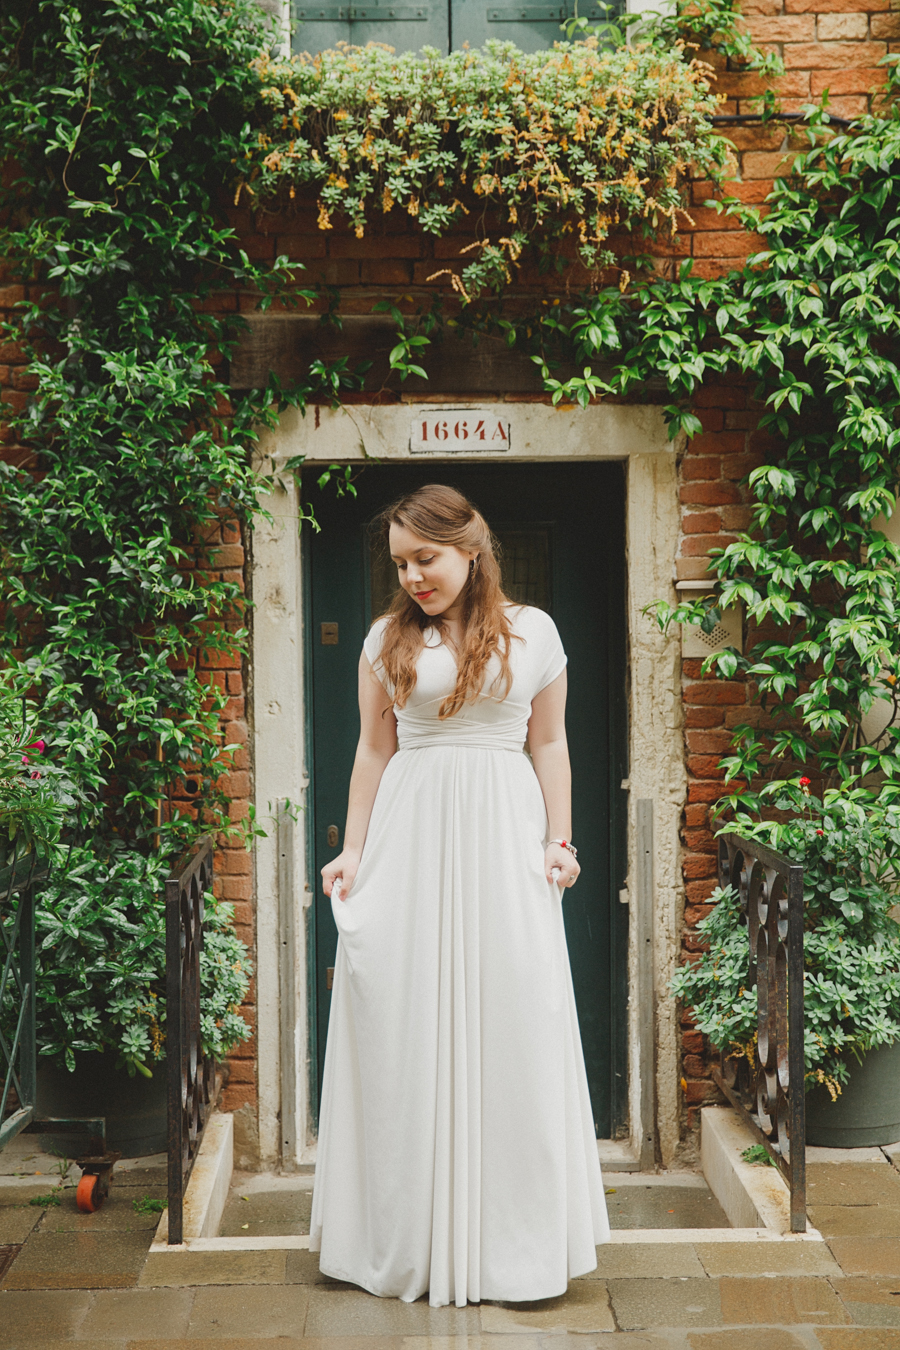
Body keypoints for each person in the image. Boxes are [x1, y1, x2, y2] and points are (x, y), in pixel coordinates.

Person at [309, 483, 609, 1309]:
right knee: (403, 1020)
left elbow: (550, 742)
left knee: (515, 1018)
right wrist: (353, 850)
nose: (413, 576)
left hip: (503, 837)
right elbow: (373, 752)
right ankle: (403, 1234)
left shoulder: (534, 632)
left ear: (471, 548)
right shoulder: (382, 639)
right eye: (401, 562)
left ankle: (512, 1244)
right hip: (411, 840)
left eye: (427, 558)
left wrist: (560, 840)